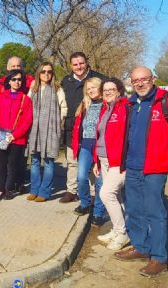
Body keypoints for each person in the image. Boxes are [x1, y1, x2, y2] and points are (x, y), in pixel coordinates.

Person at [114, 67, 168, 277]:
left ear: (153, 79)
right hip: (133, 167)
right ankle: (141, 247)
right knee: (134, 209)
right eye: (135, 80)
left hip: (155, 168)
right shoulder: (130, 104)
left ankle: (158, 258)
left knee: (154, 213)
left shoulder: (166, 102)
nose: (140, 84)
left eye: (144, 79)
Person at [59, 52, 106, 203]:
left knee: (92, 162)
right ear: (70, 66)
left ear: (86, 62)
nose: (79, 67)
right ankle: (71, 190)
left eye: (81, 63)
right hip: (71, 128)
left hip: (92, 130)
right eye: (75, 64)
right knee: (72, 161)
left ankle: (92, 193)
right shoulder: (66, 81)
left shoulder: (99, 79)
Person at [92, 78, 129, 250]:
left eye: (111, 89)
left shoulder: (125, 108)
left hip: (118, 161)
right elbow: (99, 136)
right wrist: (96, 161)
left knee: (106, 194)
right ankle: (116, 230)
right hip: (103, 159)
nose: (107, 92)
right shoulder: (104, 109)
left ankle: (122, 233)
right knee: (117, 197)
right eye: (105, 89)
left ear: (119, 90)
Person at [0, 69, 33, 202]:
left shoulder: (26, 100)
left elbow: (27, 121)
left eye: (19, 79)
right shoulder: (2, 97)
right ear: (9, 81)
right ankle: (0, 190)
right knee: (1, 165)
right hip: (1, 136)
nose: (17, 82)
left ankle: (9, 189)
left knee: (13, 165)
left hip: (16, 139)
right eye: (14, 79)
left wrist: (15, 135)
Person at [26, 62, 67, 202]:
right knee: (35, 161)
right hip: (34, 130)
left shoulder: (57, 89)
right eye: (43, 71)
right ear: (39, 73)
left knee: (49, 162)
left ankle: (44, 192)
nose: (46, 74)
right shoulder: (33, 88)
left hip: (50, 130)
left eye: (49, 71)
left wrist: (57, 122)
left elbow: (64, 107)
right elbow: (26, 106)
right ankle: (34, 190)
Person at [70, 77, 105, 225]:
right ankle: (84, 204)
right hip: (85, 145)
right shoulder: (85, 104)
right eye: (88, 88)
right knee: (81, 177)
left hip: (101, 147)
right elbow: (78, 126)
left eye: (93, 87)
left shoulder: (107, 104)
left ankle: (98, 213)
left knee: (100, 182)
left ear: (100, 88)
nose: (90, 90)